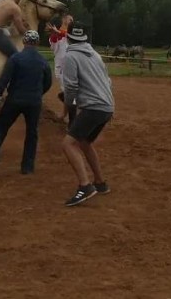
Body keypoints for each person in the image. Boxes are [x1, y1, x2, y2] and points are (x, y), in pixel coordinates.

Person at [0, 30, 53, 176]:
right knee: (32, 133)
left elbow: (3, 81)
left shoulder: (15, 58)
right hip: (34, 102)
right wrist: (38, 94)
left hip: (15, 99)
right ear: (37, 43)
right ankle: (27, 167)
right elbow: (48, 82)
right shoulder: (43, 61)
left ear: (24, 42)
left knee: (0, 128)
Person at [60, 21, 115, 207]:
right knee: (84, 143)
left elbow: (70, 86)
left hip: (93, 107)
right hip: (107, 106)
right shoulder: (96, 55)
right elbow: (108, 81)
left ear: (68, 37)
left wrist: (69, 104)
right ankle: (100, 183)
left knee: (68, 144)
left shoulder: (70, 57)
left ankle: (85, 186)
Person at [46, 13, 76, 128]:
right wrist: (55, 33)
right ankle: (67, 114)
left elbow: (67, 35)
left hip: (71, 66)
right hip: (61, 67)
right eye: (70, 19)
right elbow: (53, 46)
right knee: (68, 92)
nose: (72, 21)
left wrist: (58, 32)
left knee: (69, 92)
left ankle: (70, 117)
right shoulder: (56, 36)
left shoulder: (70, 35)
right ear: (64, 20)